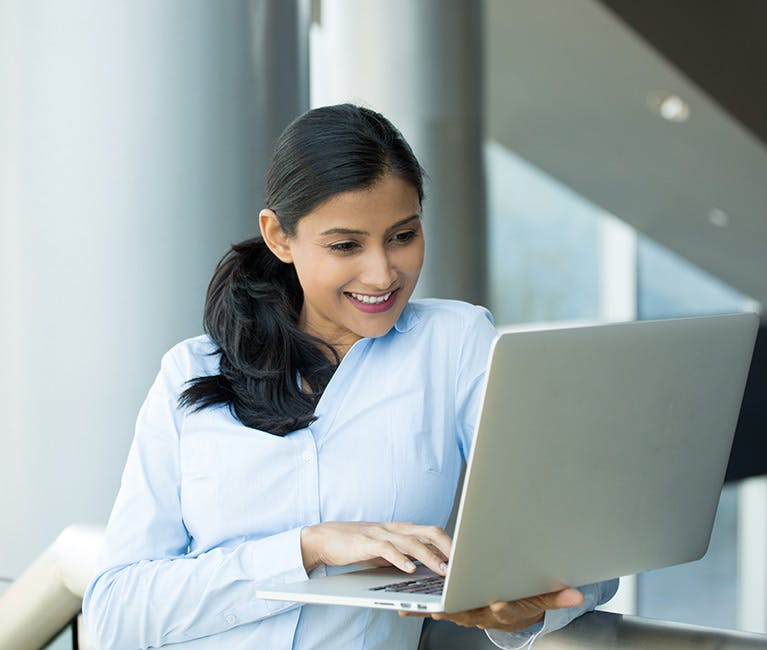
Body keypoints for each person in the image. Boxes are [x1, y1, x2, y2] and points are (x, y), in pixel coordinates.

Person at [83, 104, 618, 649]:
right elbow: (114, 614)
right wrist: (306, 549)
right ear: (279, 237)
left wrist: (522, 612)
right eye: (345, 246)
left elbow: (581, 554)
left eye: (403, 236)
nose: (382, 273)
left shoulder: (454, 344)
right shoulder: (190, 371)